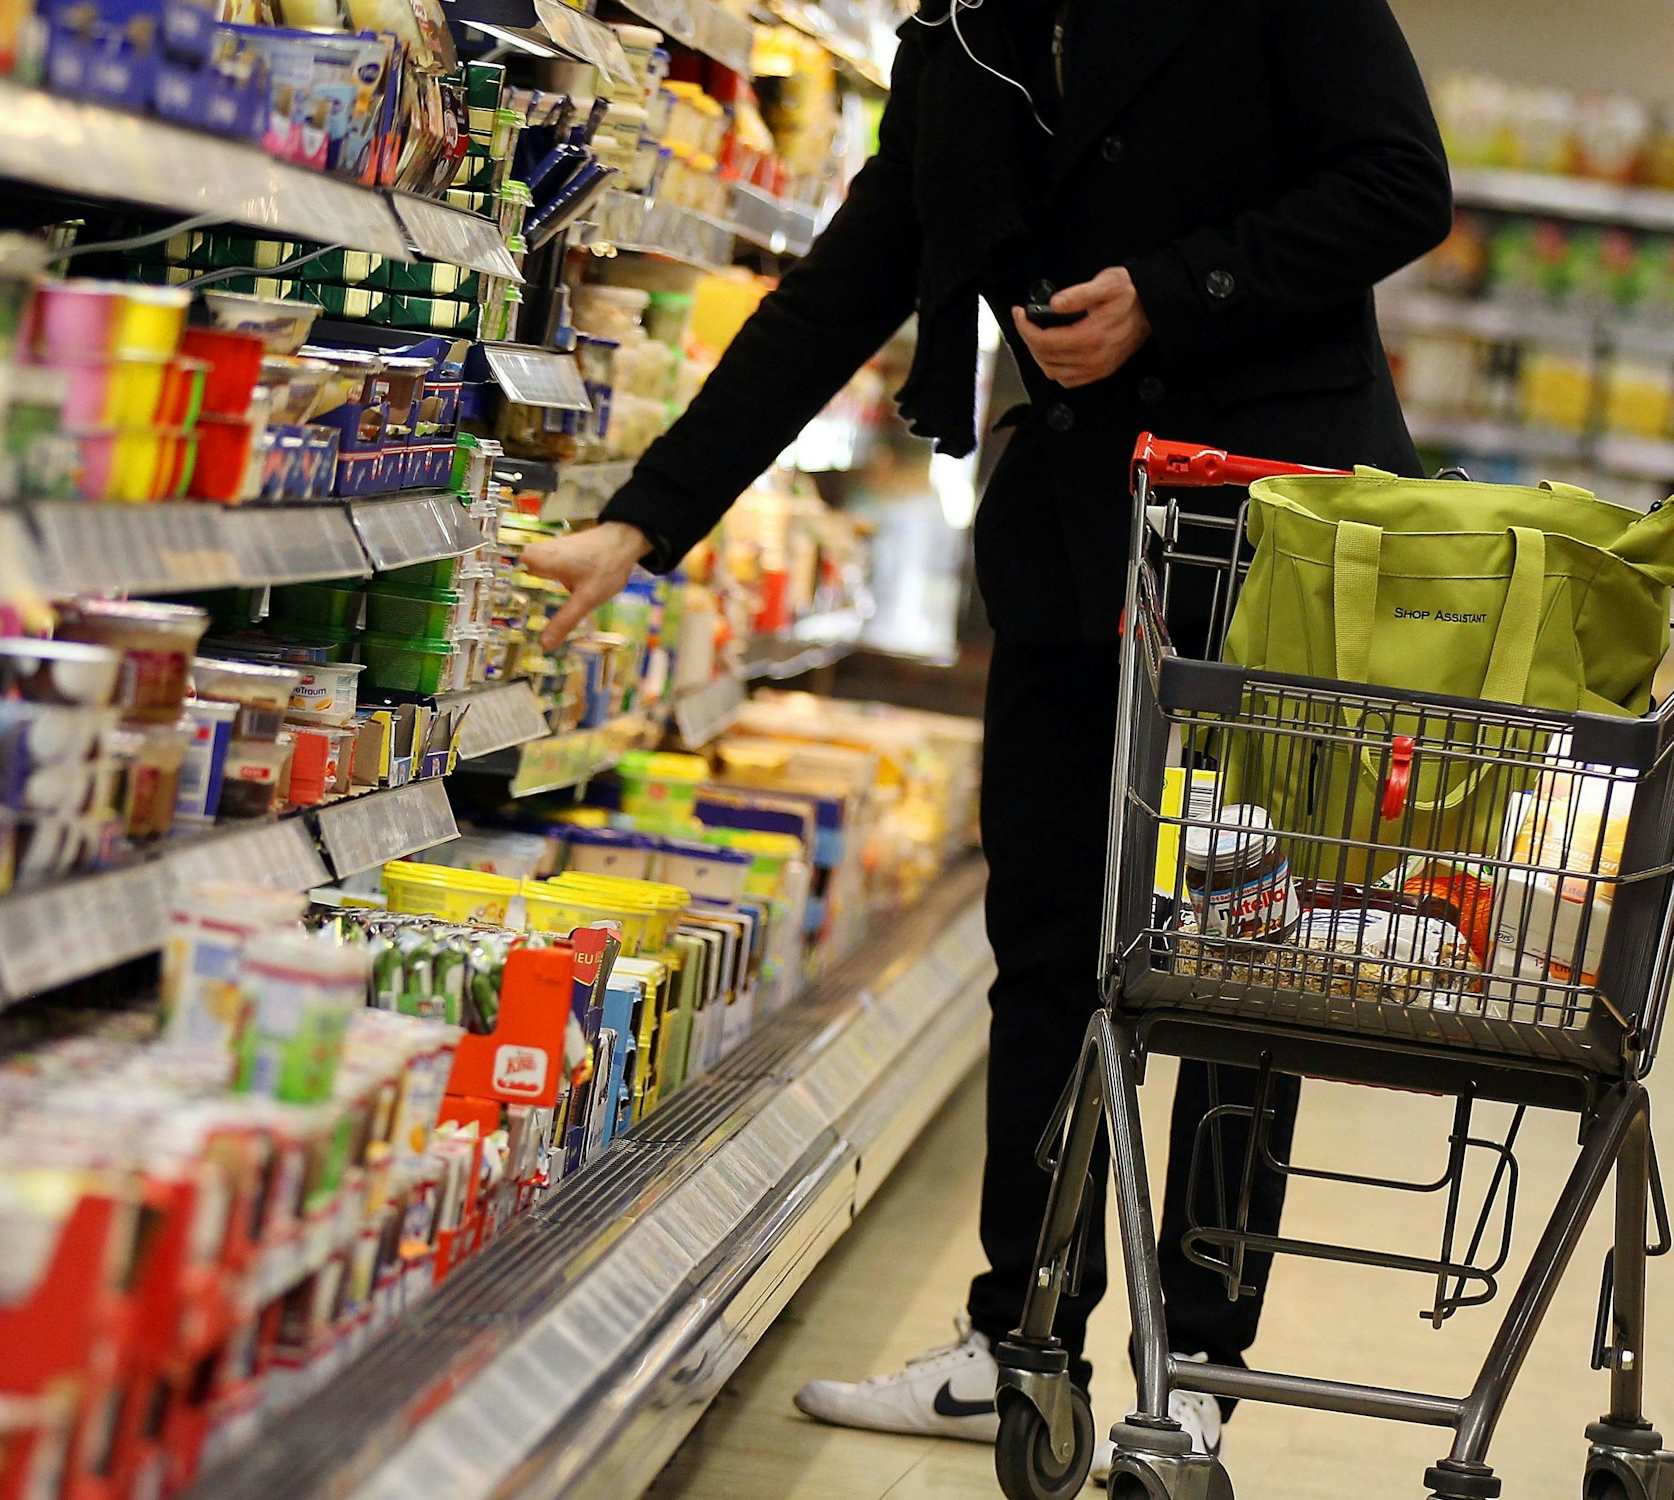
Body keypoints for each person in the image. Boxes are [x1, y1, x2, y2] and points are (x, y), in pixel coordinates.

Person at [521, 0, 1453, 1478]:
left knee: (1239, 963)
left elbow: (1401, 181)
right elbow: (842, 287)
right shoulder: (965, 30)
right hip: (1078, 546)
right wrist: (644, 518)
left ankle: (1196, 1363)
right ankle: (1018, 1337)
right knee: (1047, 949)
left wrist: (1172, 288)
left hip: (1272, 541)